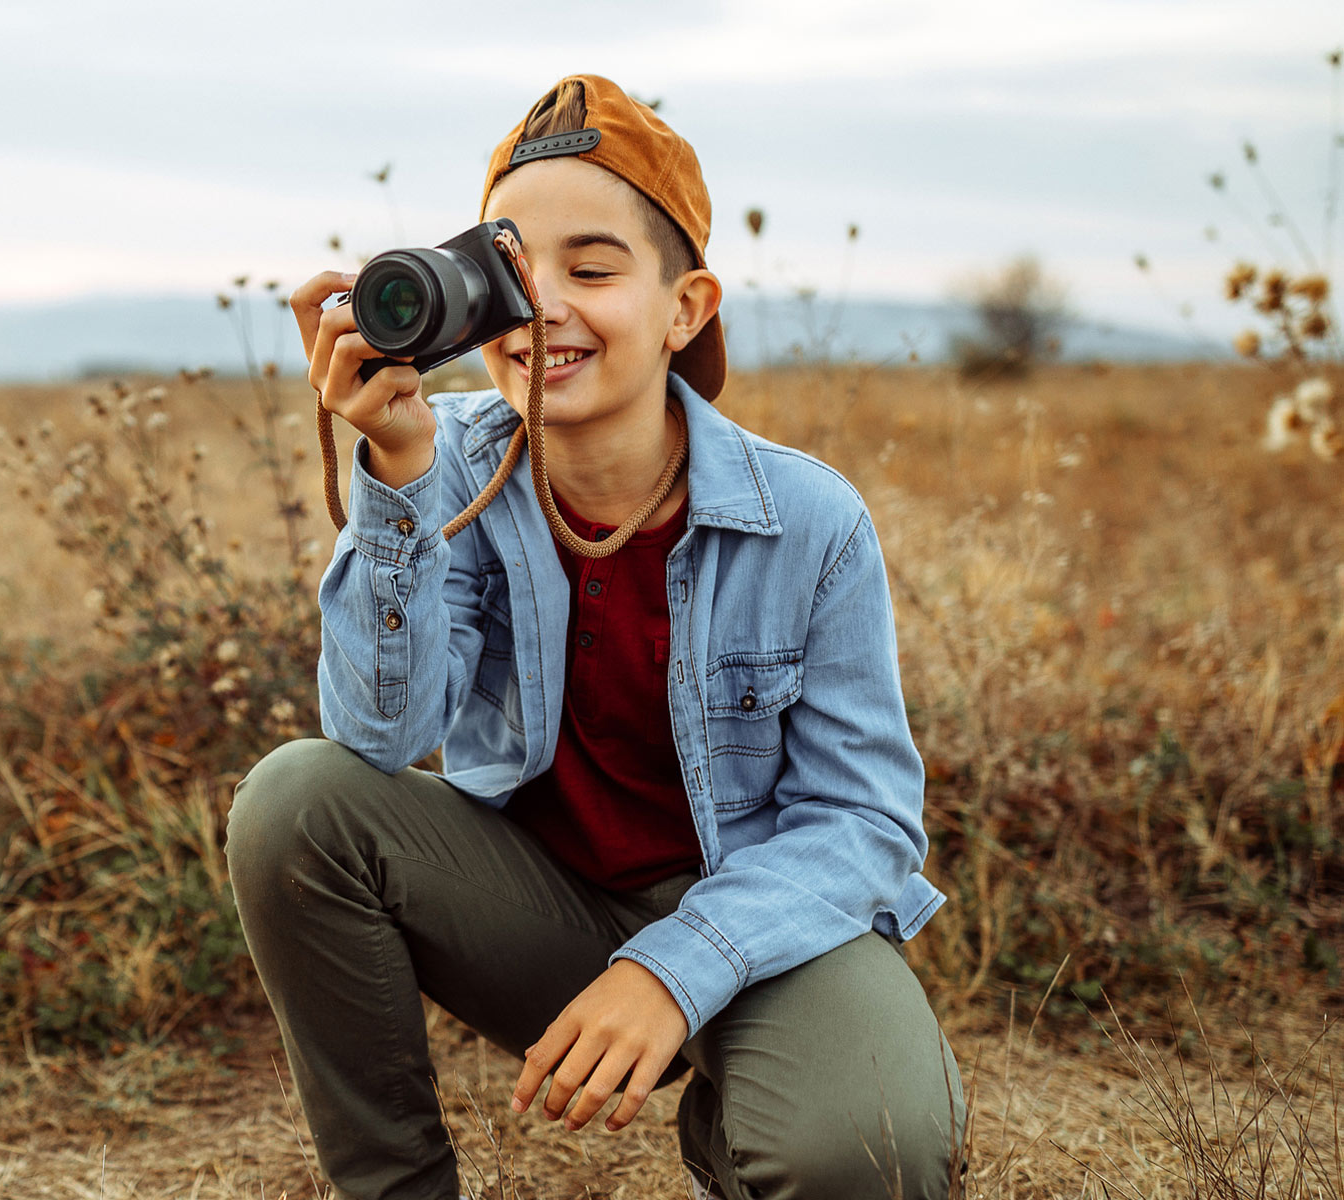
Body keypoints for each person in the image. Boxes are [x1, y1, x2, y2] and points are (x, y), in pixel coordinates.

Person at [224, 74, 967, 1200]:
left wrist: (674, 973)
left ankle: (741, 1111)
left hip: (765, 925)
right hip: (543, 912)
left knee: (869, 1157)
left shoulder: (810, 520)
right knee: (295, 800)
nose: (547, 309)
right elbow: (378, 737)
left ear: (688, 307)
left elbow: (862, 825)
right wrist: (397, 476)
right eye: (515, 273)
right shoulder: (451, 463)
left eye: (594, 269)